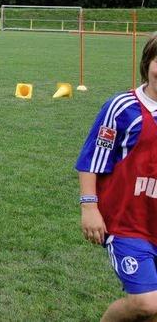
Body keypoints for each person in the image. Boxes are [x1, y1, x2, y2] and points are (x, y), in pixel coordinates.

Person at [76, 34, 157, 321]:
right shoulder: (123, 107)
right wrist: (89, 207)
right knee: (146, 304)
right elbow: (91, 160)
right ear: (147, 63)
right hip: (127, 225)